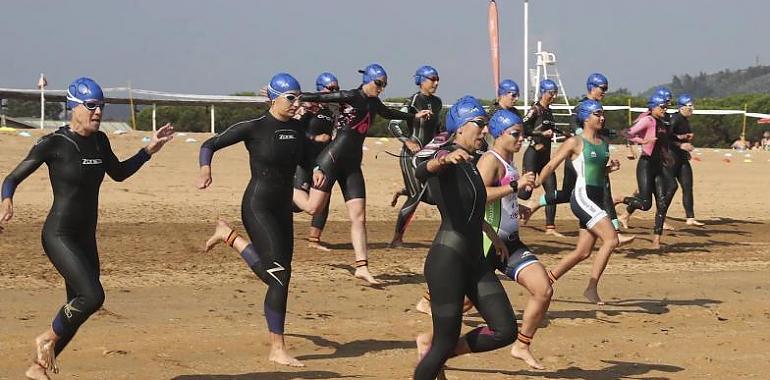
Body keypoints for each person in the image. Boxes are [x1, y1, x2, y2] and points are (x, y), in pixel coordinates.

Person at [0, 77, 174, 380]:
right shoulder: (53, 143)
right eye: (91, 106)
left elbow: (118, 173)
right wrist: (6, 200)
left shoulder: (100, 141)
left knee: (78, 307)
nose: (98, 112)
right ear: (73, 106)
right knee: (92, 297)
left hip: (85, 236)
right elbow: (12, 178)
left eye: (101, 106)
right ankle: (45, 340)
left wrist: (148, 150)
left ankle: (37, 368)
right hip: (59, 234)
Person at [198, 73, 306, 367]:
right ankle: (277, 348)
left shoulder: (298, 129)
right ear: (274, 99)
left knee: (283, 275)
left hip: (283, 207)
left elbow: (306, 159)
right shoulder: (255, 128)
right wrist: (206, 169)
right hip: (258, 206)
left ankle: (228, 236)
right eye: (290, 98)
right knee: (278, 276)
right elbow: (210, 143)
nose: (297, 103)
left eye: (299, 97)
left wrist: (310, 179)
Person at [292, 64, 431, 285]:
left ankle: (362, 266)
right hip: (332, 159)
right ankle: (285, 187)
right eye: (378, 83)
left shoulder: (374, 103)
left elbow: (390, 113)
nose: (381, 88)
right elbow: (322, 97)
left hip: (353, 165)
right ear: (368, 80)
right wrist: (296, 97)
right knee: (311, 208)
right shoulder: (351, 96)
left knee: (359, 216)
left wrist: (415, 115)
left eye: (384, 85)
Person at [413, 96, 517, 380]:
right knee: (444, 341)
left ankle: (437, 356)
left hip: (476, 260)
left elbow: (469, 208)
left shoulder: (472, 161)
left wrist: (491, 233)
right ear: (460, 127)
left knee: (505, 330)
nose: (485, 131)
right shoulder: (446, 155)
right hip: (448, 259)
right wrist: (442, 160)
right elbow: (422, 169)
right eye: (480, 124)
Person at [477, 109, 551, 369]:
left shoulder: (509, 160)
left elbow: (502, 196)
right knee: (460, 307)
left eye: (523, 135)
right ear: (499, 134)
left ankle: (522, 345)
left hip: (510, 243)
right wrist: (514, 188)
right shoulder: (490, 160)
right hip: (486, 244)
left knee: (543, 289)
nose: (522, 140)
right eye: (516, 134)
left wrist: (515, 204)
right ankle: (433, 346)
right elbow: (479, 196)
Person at [523, 73, 635, 245]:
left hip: (593, 155)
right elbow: (573, 124)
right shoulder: (581, 107)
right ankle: (614, 231)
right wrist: (583, 141)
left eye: (606, 89)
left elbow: (600, 130)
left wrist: (619, 133)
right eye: (602, 88)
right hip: (580, 155)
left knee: (581, 192)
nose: (604, 92)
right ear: (592, 87)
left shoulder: (596, 107)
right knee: (594, 190)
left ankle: (536, 205)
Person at [535, 99, 620, 304]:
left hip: (596, 199)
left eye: (602, 114)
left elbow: (596, 172)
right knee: (611, 239)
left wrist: (609, 169)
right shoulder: (575, 142)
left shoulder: (603, 143)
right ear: (586, 118)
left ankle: (547, 279)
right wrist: (536, 183)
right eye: (597, 114)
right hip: (582, 198)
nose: (602, 117)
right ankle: (591, 288)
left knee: (583, 252)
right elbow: (551, 164)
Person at [388, 65, 443, 247]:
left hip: (428, 155)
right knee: (416, 196)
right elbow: (393, 125)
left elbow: (437, 130)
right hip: (410, 155)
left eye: (437, 79)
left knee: (434, 196)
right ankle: (397, 239)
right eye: (432, 79)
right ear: (421, 80)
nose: (436, 82)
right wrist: (407, 141)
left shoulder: (437, 102)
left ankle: (405, 190)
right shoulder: (412, 101)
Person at [618, 94, 677, 249]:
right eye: (662, 107)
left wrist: (667, 157)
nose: (665, 109)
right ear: (653, 107)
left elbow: (663, 145)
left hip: (659, 166)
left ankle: (656, 241)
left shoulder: (662, 122)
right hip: (646, 164)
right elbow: (626, 133)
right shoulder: (648, 120)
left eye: (665, 107)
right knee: (645, 204)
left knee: (662, 203)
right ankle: (619, 198)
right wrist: (642, 141)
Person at [294, 72, 339, 251]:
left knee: (323, 199)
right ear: (320, 88)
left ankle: (314, 239)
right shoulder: (308, 108)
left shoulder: (332, 111)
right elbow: (296, 131)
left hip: (322, 161)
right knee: (298, 205)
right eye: (331, 88)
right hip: (304, 161)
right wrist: (314, 138)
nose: (335, 91)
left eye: (337, 88)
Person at [518, 79, 566, 238]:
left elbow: (551, 128)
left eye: (555, 93)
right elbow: (523, 127)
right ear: (543, 92)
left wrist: (567, 135)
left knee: (551, 192)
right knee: (526, 193)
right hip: (533, 155)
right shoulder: (535, 110)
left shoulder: (549, 111)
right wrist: (540, 134)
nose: (553, 96)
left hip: (545, 159)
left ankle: (550, 227)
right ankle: (506, 195)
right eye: (551, 93)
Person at [669, 94, 704, 226]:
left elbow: (679, 136)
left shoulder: (685, 120)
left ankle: (690, 217)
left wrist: (686, 139)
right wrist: (680, 144)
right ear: (682, 107)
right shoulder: (675, 119)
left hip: (682, 158)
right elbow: (666, 138)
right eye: (690, 106)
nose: (692, 108)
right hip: (671, 158)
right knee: (668, 188)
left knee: (687, 186)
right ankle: (628, 212)